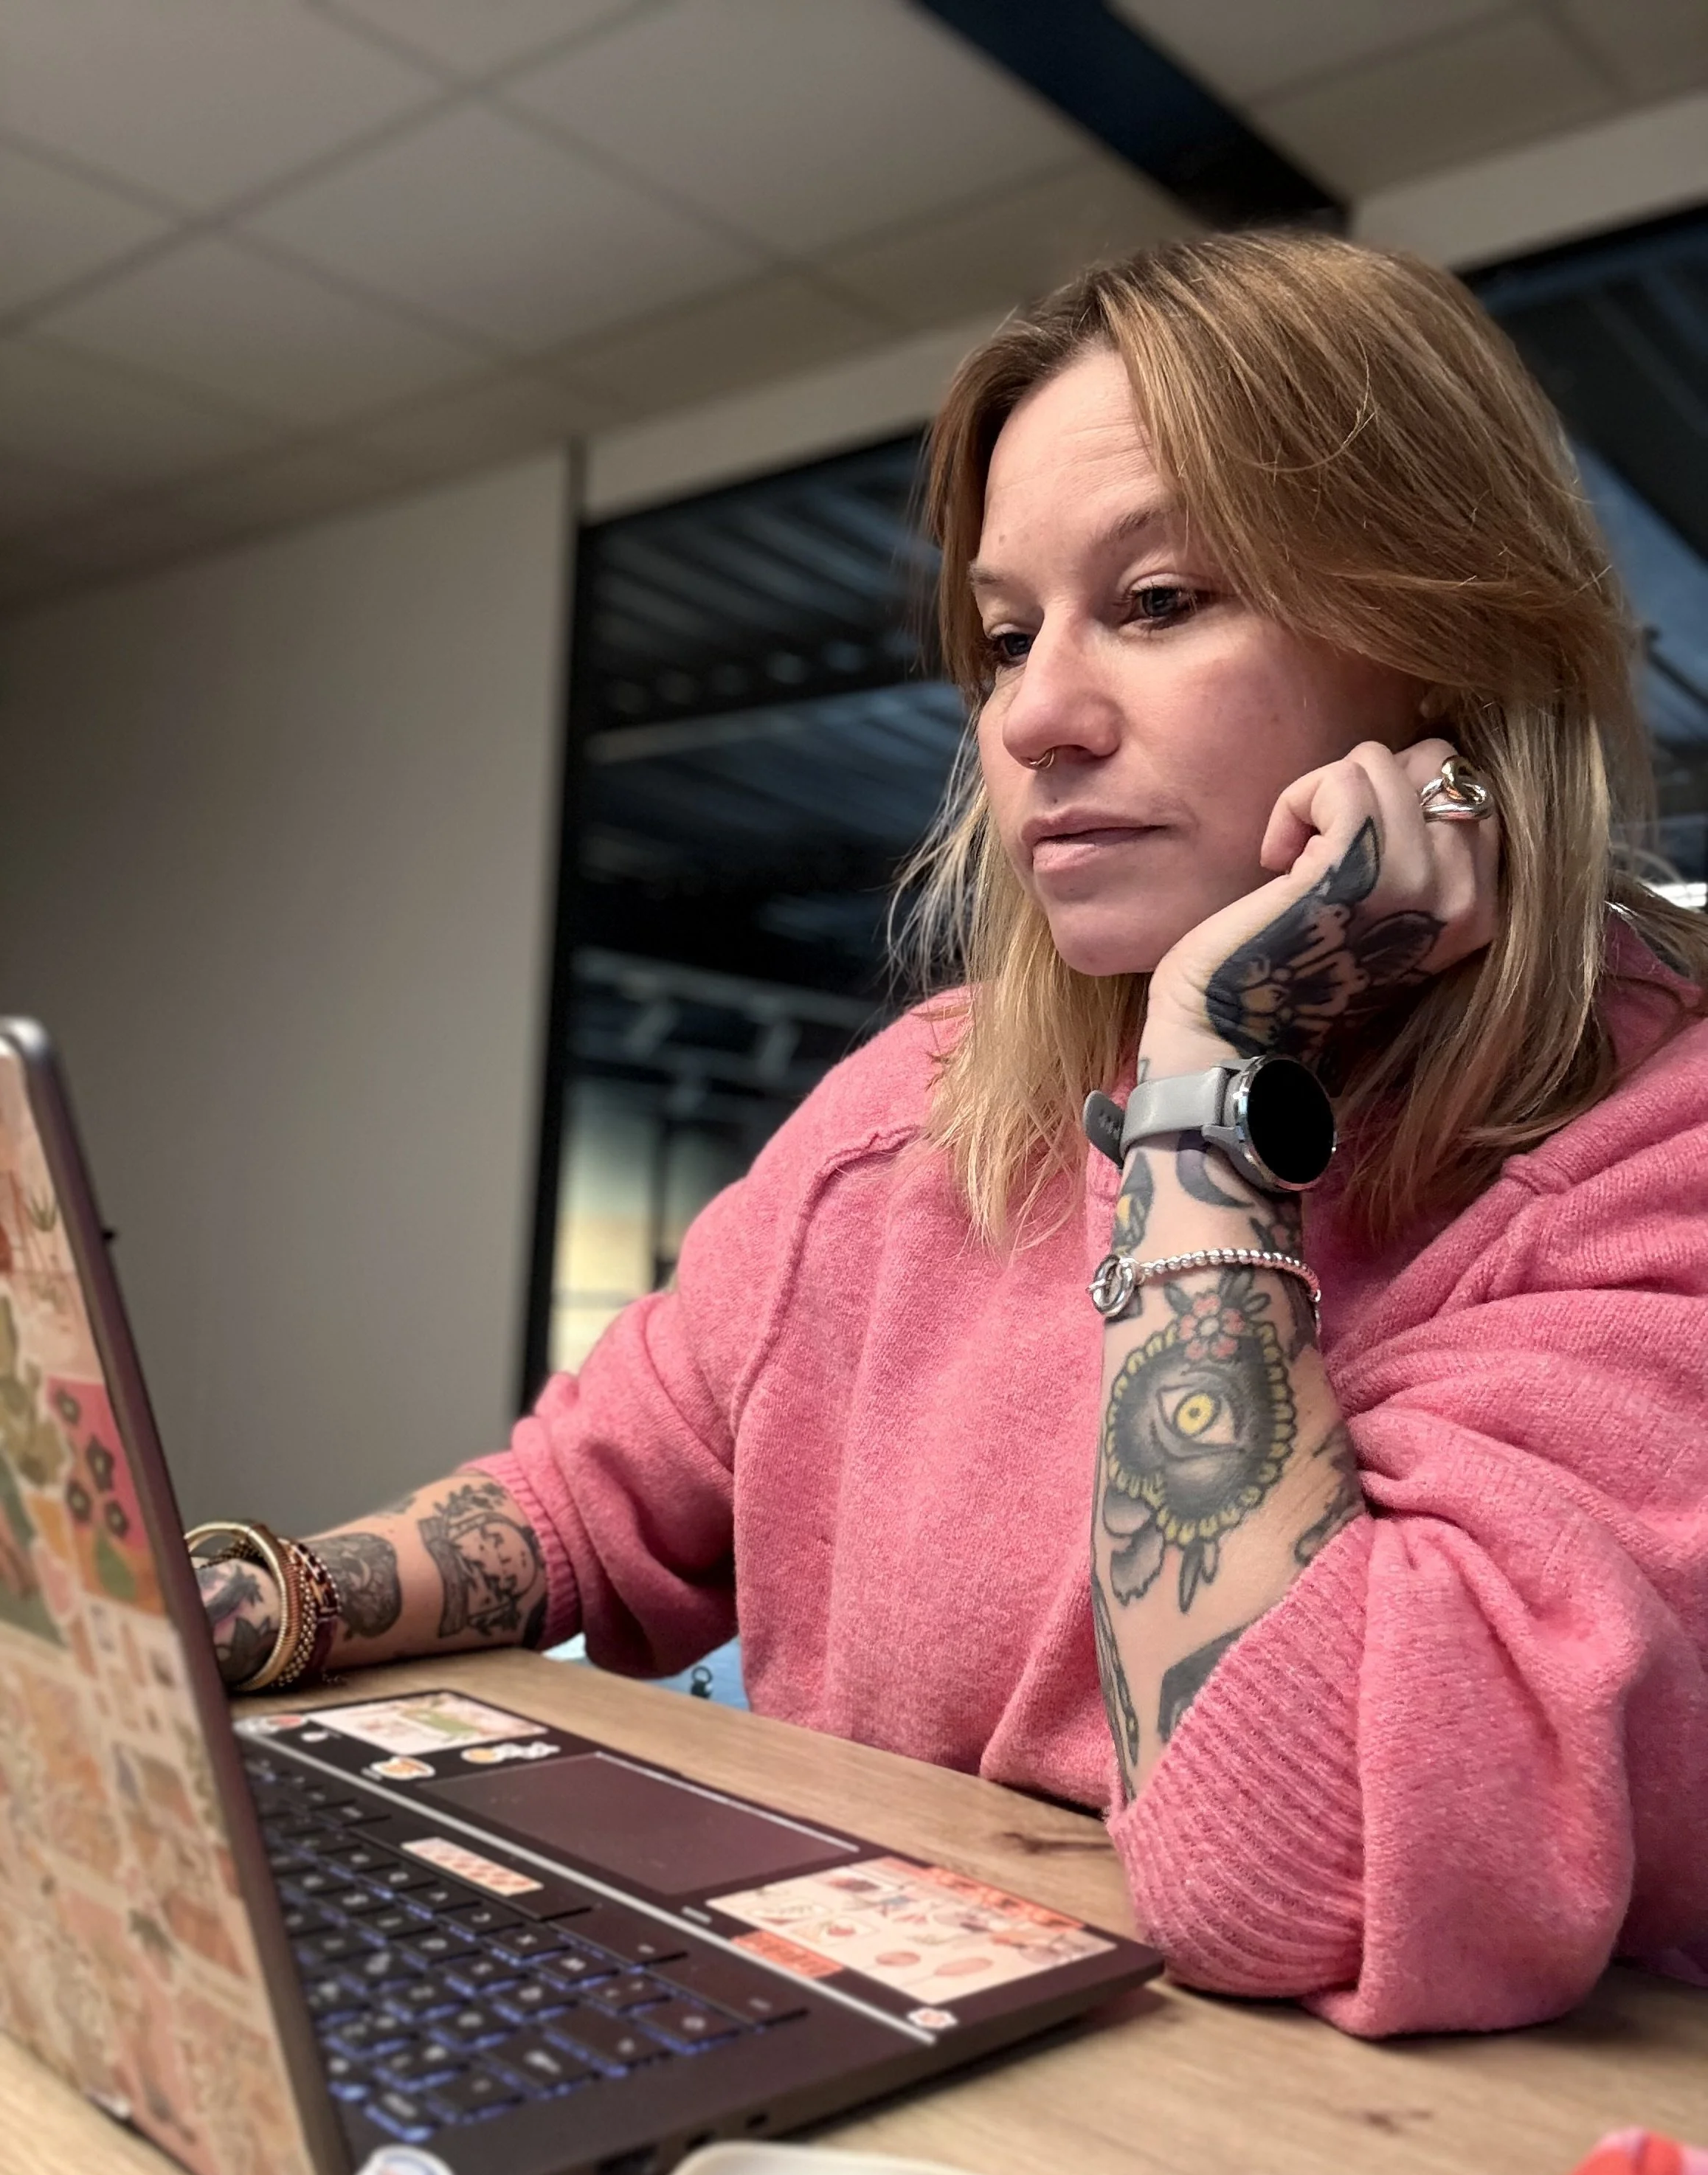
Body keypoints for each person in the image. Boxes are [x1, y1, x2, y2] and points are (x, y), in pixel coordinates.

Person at [193, 231, 1708, 2038]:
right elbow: (588, 1500)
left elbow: (1317, 1872)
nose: (1033, 716)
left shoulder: (1656, 1146)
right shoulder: (926, 1097)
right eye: (1004, 636)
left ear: (1444, 650)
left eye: (1159, 600)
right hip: (852, 2065)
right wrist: (254, 1604)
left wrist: (1213, 1084)